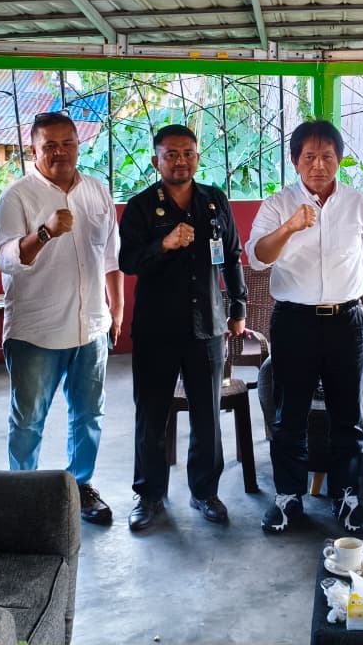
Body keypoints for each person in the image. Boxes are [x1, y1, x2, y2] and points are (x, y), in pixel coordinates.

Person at [248, 120, 363, 535]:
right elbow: (257, 256)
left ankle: (346, 498)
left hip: (347, 321)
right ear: (295, 161)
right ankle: (288, 498)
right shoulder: (278, 204)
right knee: (289, 415)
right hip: (294, 322)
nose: (318, 165)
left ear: (339, 160)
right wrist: (290, 227)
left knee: (348, 417)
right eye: (309, 156)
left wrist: (350, 281)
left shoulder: (358, 203)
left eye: (327, 156)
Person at [0, 111, 125, 525]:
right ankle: (23, 495)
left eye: (67, 143)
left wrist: (117, 308)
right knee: (29, 421)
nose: (60, 152)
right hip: (36, 332)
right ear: (33, 150)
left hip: (91, 328)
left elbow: (111, 256)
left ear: (78, 147)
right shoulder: (15, 198)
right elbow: (5, 260)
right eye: (49, 145)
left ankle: (80, 486)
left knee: (89, 415)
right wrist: (45, 232)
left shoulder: (97, 192)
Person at [118, 124, 247, 532]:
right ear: (156, 160)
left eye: (188, 153)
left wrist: (238, 307)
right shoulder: (140, 206)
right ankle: (149, 495)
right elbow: (127, 262)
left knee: (207, 415)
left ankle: (205, 492)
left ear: (197, 157)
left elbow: (232, 255)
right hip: (156, 331)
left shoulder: (214, 200)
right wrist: (164, 244)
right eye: (171, 154)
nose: (180, 161)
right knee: (151, 415)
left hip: (206, 327)